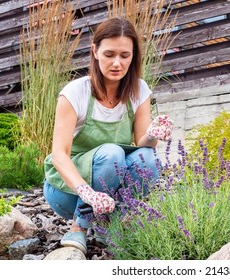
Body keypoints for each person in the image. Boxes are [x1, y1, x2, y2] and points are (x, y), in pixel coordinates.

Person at [43, 17, 173, 254]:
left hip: (108, 190)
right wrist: (87, 192)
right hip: (68, 191)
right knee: (112, 153)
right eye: (109, 54)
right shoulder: (75, 92)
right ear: (95, 51)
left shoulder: (139, 90)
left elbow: (143, 144)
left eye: (125, 56)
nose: (117, 63)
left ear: (133, 56)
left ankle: (111, 225)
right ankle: (78, 228)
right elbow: (59, 155)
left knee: (148, 159)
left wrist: (153, 133)